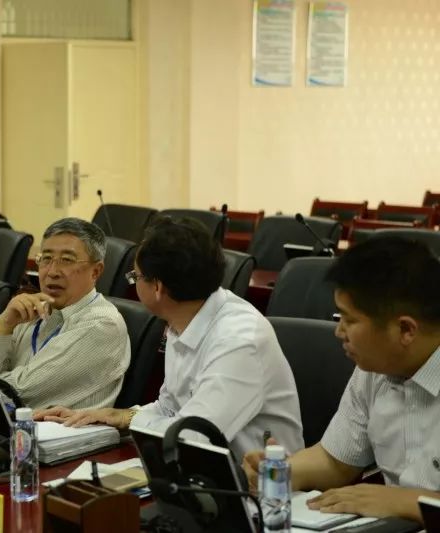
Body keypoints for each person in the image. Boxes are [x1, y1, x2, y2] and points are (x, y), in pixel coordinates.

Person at [37, 217, 304, 460]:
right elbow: (169, 408)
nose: (134, 283)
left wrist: (132, 420)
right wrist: (118, 416)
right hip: (198, 472)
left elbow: (191, 436)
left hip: (263, 486)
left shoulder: (239, 340)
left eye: (135, 277)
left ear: (157, 287)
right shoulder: (183, 318)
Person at [243, 237, 440, 522]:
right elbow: (335, 461)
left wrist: (412, 502)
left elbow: (402, 501)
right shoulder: (375, 369)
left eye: (349, 320)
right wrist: (278, 473)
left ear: (406, 330)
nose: (338, 332)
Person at [0, 217, 130, 409]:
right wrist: (4, 325)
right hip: (1, 424)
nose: (52, 272)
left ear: (96, 271)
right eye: (46, 259)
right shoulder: (29, 311)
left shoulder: (101, 324)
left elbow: (19, 394)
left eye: (67, 260)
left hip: (57, 428)